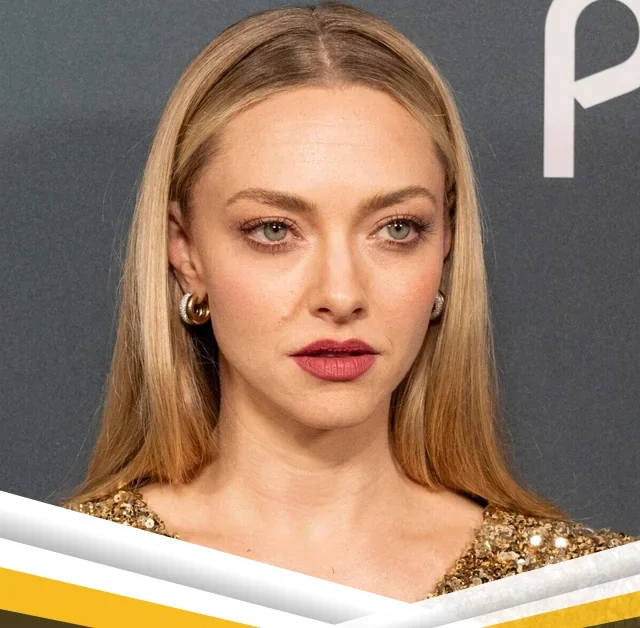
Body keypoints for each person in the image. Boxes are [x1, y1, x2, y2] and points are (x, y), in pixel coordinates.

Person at [62, 1, 637, 602]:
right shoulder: (58, 583)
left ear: (446, 244)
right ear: (186, 252)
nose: (341, 295)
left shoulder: (586, 595)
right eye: (274, 230)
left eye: (396, 229)